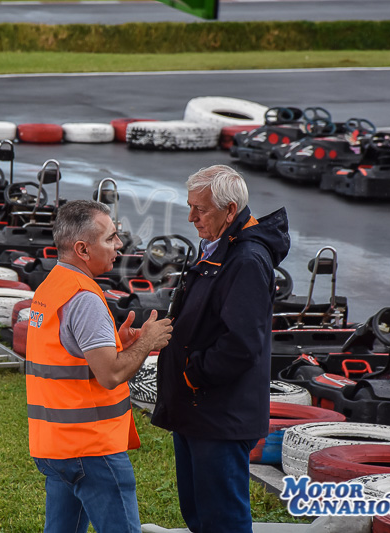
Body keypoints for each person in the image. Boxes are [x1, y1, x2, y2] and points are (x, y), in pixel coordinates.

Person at [152, 165, 290, 533]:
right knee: (199, 513)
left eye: (201, 209)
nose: (191, 217)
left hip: (218, 414)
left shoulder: (246, 259)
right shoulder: (218, 245)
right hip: (200, 410)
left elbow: (241, 344)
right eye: (189, 206)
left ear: (230, 211)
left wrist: (191, 375)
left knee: (222, 520)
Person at [26, 199, 173, 533]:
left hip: (53, 446)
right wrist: (148, 342)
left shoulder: (51, 288)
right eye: (110, 238)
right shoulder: (86, 299)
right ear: (82, 248)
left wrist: (117, 343)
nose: (119, 245)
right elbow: (112, 375)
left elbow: (66, 355)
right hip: (91, 451)